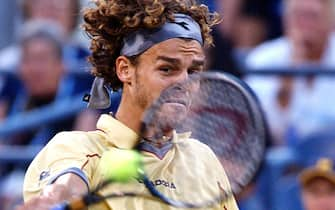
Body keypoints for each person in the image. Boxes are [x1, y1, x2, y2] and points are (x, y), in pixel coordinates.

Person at [16, 0, 239, 210]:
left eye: (193, 71)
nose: (184, 83)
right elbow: (65, 186)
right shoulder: (75, 147)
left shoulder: (205, 161)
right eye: (167, 69)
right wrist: (53, 199)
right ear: (125, 70)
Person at [244, 0, 335, 146]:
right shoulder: (262, 60)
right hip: (280, 161)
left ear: (331, 21)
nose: (305, 24)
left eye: (312, 16)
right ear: (285, 19)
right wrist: (290, 70)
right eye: (298, 16)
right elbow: (262, 130)